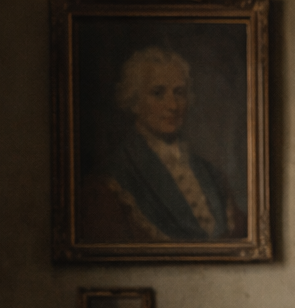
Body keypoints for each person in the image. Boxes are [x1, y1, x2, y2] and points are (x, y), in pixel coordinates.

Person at [79, 46, 244, 242]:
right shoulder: (110, 182)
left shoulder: (211, 174)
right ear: (134, 101)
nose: (173, 106)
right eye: (158, 93)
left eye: (179, 92)